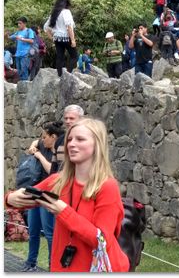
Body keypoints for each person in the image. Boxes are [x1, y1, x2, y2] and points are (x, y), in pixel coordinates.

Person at [5, 118, 130, 272]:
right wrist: (10, 198)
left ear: (97, 145)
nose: (71, 144)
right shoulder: (58, 181)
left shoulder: (107, 187)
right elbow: (22, 199)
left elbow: (101, 240)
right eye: (69, 139)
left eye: (80, 139)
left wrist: (63, 211)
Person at [21, 121, 65, 272]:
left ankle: (53, 266)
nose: (42, 139)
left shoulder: (59, 152)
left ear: (54, 137)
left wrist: (38, 155)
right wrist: (33, 146)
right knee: (32, 230)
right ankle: (30, 262)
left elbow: (52, 173)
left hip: (48, 194)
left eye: (45, 137)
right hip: (35, 192)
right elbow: (35, 142)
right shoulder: (42, 144)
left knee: (49, 233)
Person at [44, 0, 78, 77]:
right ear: (66, 3)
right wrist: (73, 40)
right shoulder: (66, 12)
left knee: (60, 57)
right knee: (74, 56)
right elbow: (69, 27)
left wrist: (52, 38)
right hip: (66, 38)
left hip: (57, 38)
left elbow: (46, 28)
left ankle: (60, 75)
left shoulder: (54, 13)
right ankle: (68, 74)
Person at [9, 16, 35, 81]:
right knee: (19, 71)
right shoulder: (18, 32)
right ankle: (21, 85)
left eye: (20, 23)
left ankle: (25, 86)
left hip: (25, 54)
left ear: (24, 23)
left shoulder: (29, 31)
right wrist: (7, 35)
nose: (18, 25)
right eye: (18, 23)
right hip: (18, 54)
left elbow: (31, 41)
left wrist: (22, 39)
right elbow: (10, 37)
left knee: (24, 70)